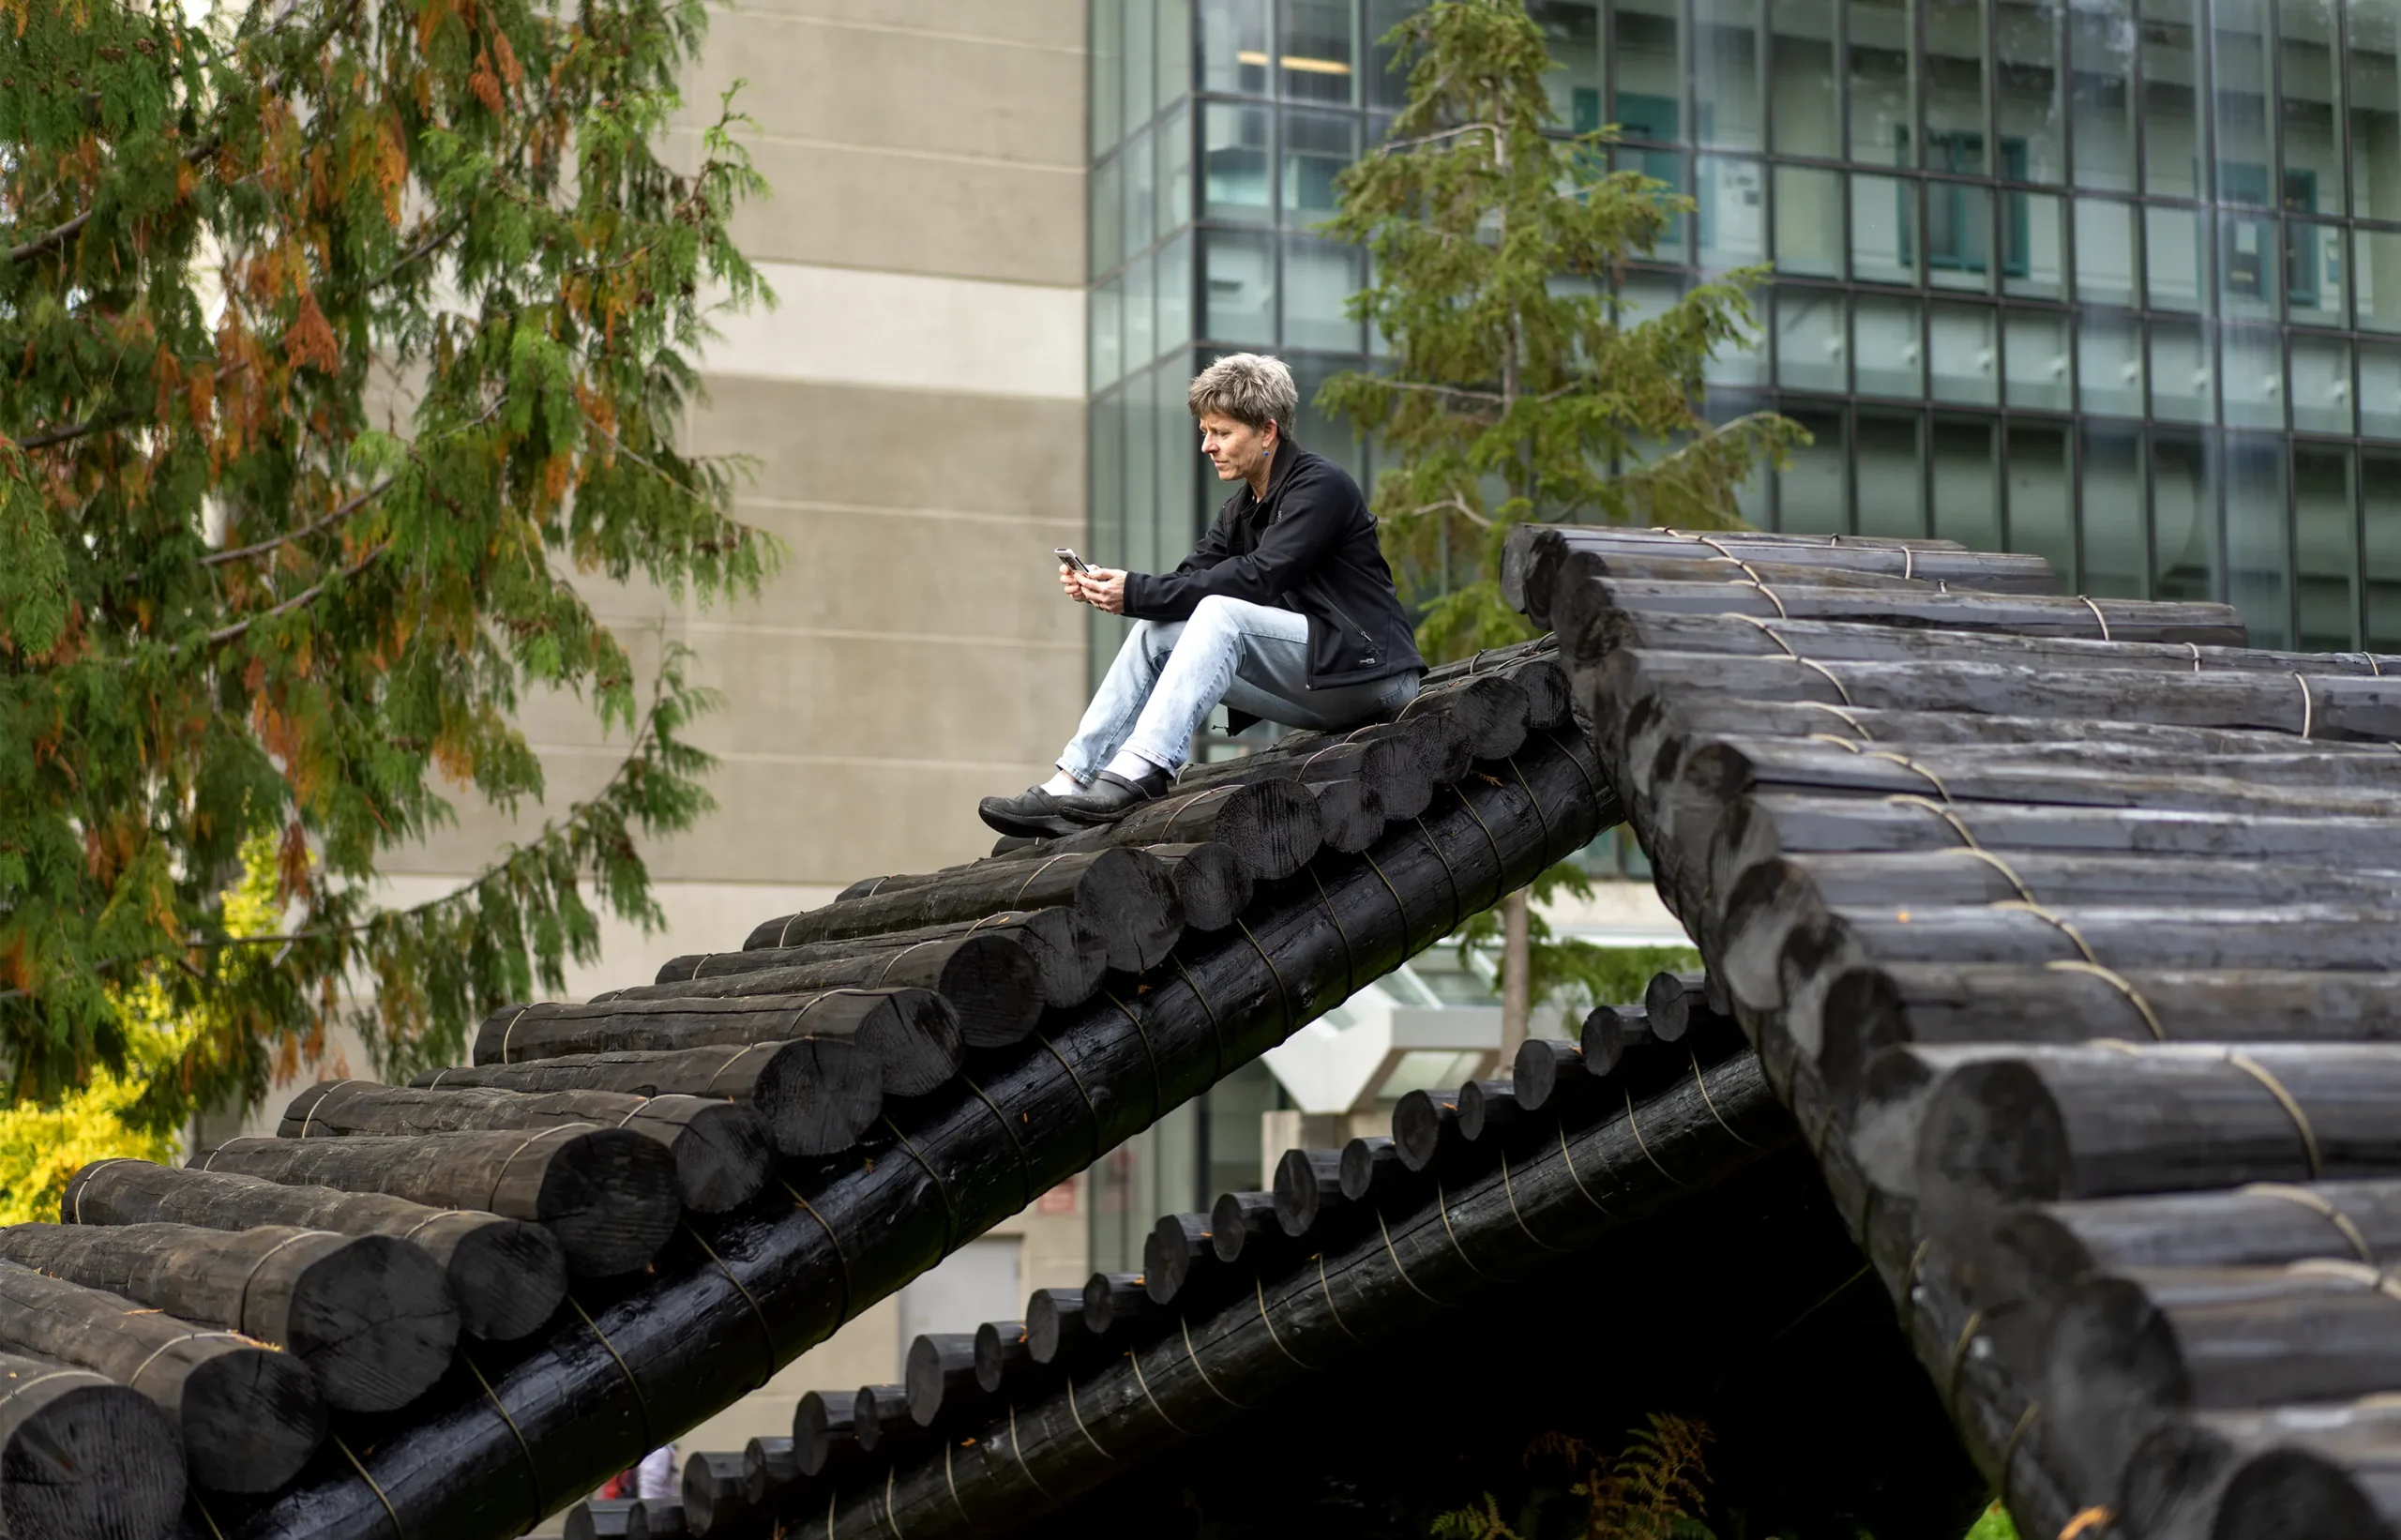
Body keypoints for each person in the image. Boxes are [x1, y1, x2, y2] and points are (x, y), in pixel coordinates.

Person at [981, 354, 1423, 838]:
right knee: (1160, 630)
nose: (1207, 446)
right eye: (1205, 431)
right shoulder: (1241, 509)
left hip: (1373, 675)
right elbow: (1185, 582)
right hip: (1320, 684)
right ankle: (1070, 781)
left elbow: (1258, 578)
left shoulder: (1320, 486)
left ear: (1267, 432)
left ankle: (1145, 768)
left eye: (1221, 432)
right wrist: (1112, 586)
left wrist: (1137, 590)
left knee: (1218, 612)